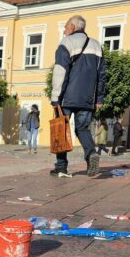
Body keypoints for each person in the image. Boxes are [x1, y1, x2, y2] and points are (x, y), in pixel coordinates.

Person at [50, 15, 106, 177]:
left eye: (66, 27)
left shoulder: (66, 43)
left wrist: (55, 97)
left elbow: (60, 71)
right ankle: (91, 155)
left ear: (73, 27)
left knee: (61, 130)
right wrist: (99, 99)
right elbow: (101, 75)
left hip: (66, 97)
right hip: (88, 98)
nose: (64, 30)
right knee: (82, 128)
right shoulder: (96, 46)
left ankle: (61, 167)